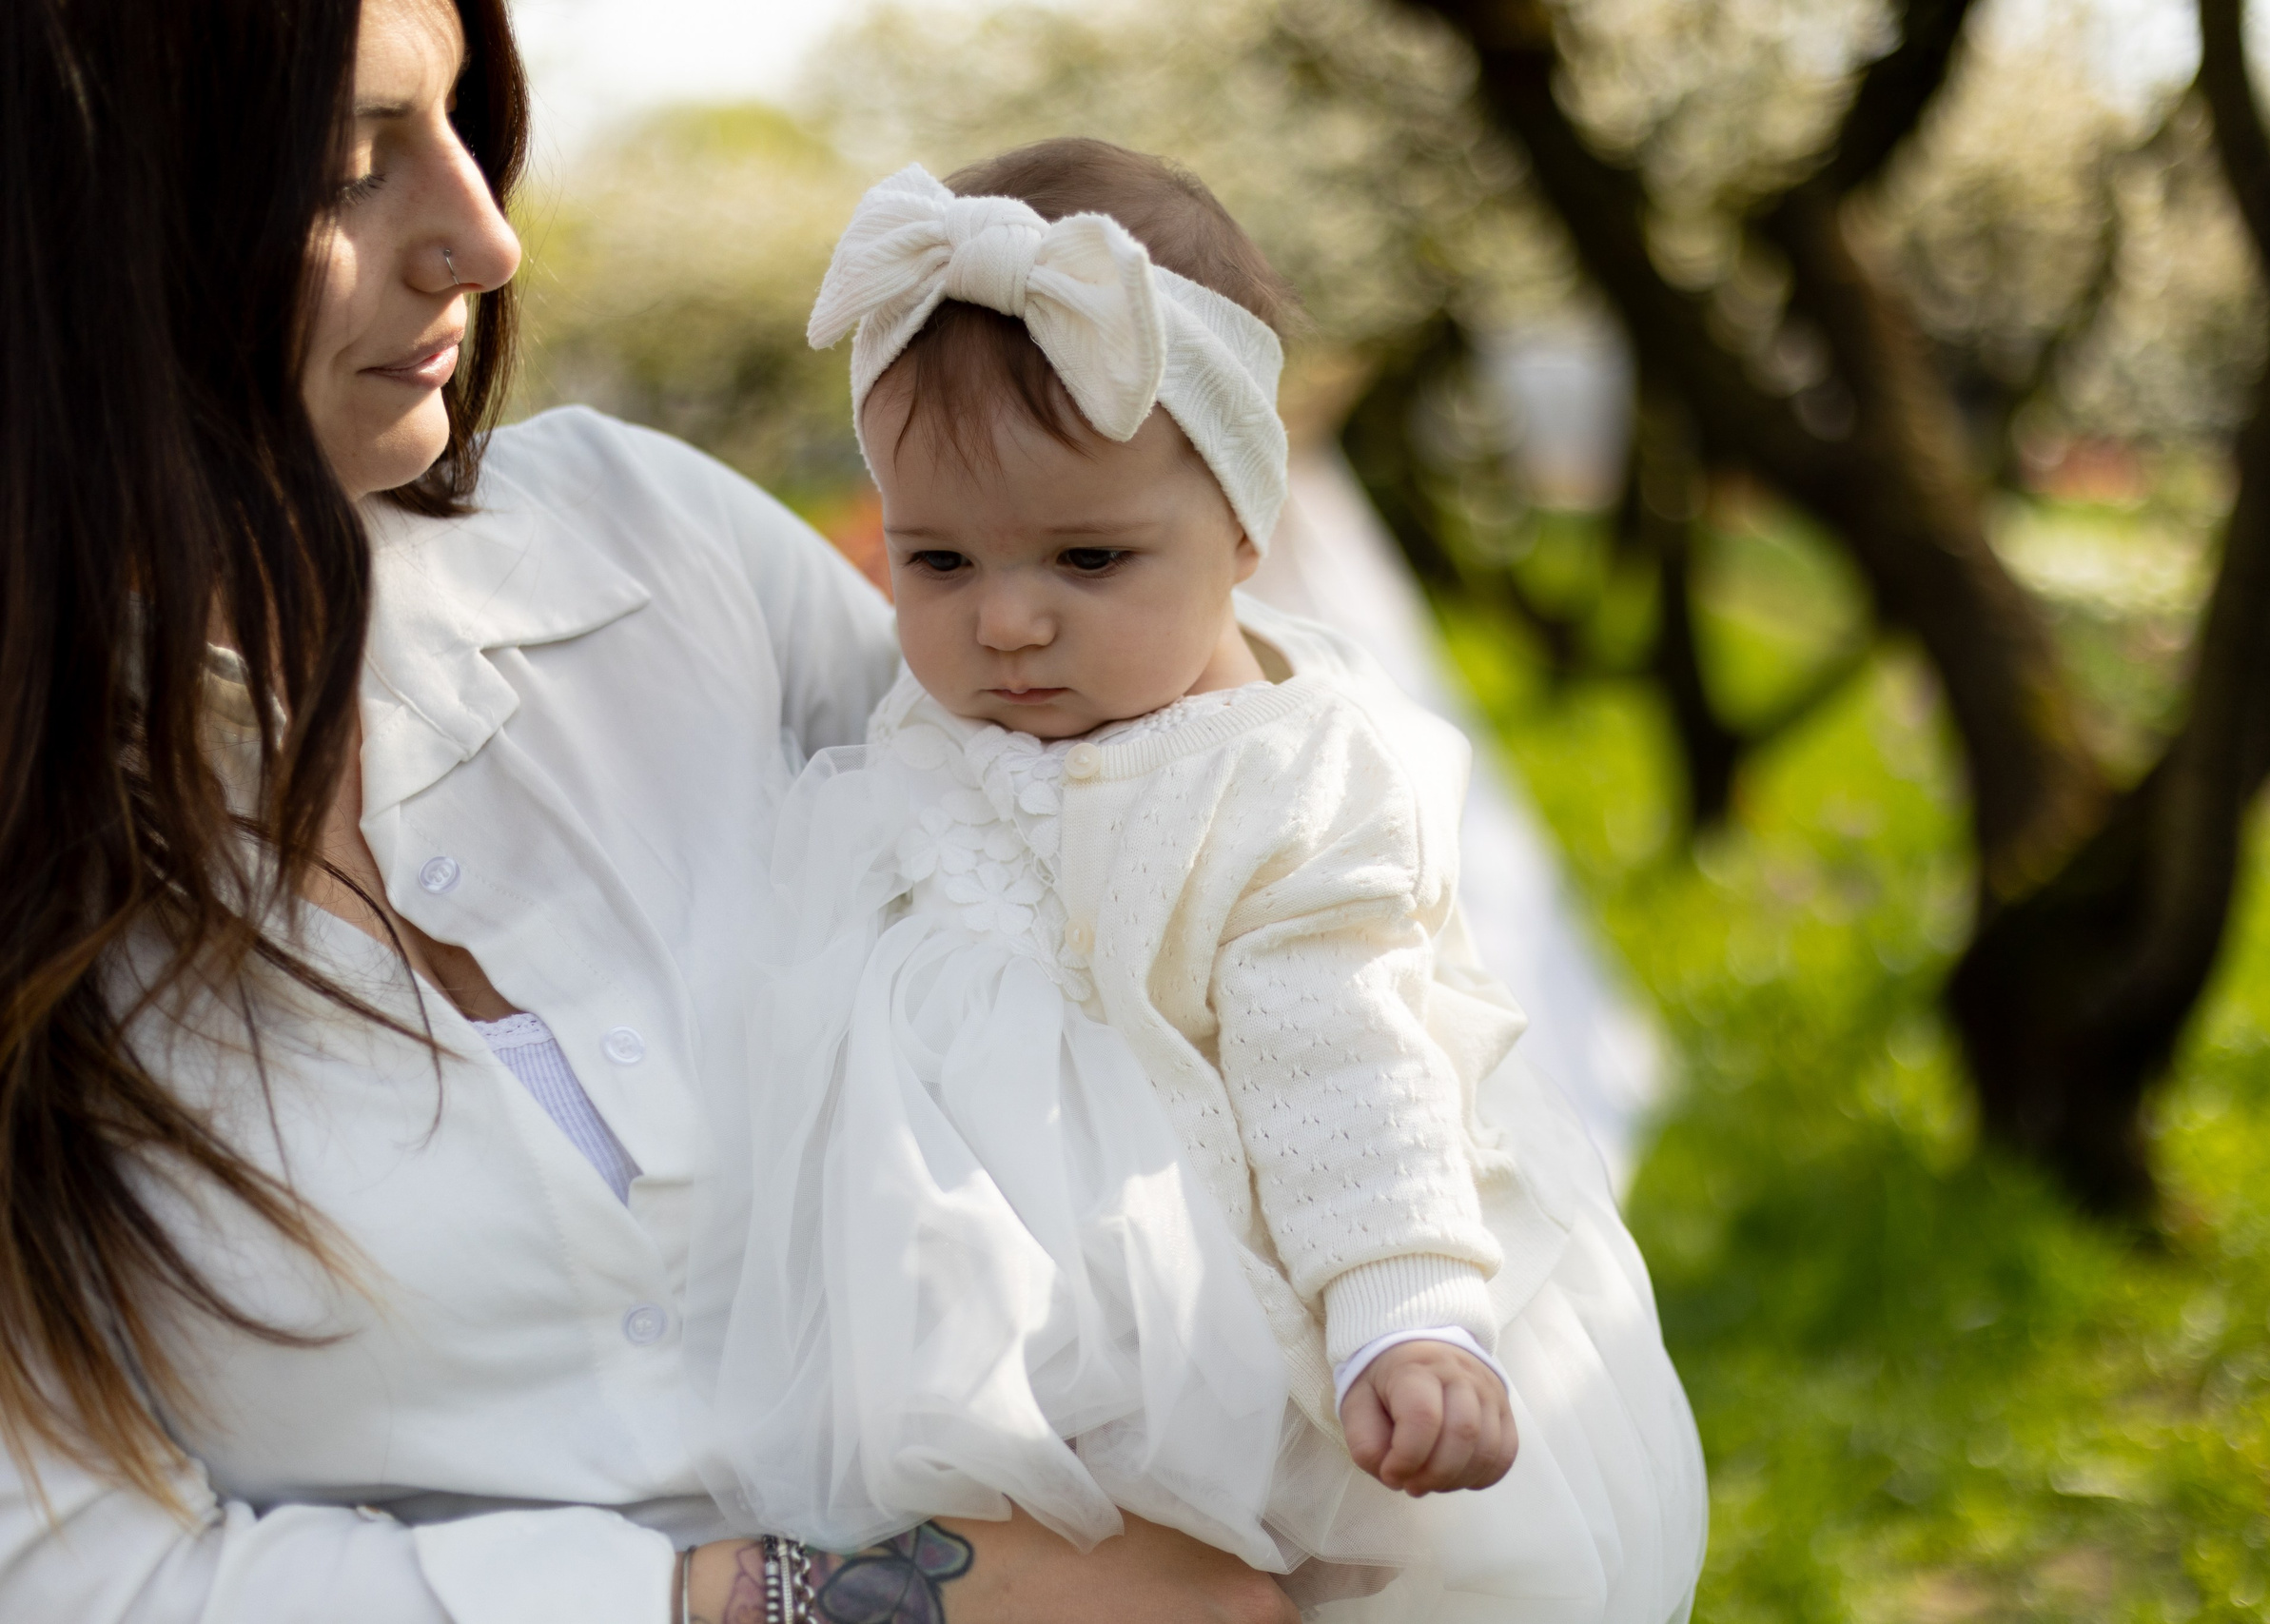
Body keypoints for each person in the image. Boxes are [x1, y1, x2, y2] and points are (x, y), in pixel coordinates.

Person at [0, 3, 1303, 1620]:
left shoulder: (653, 541)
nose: (483, 241)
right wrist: (807, 1602)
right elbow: (68, 1569)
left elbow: (1195, 840)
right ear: (71, 222)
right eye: (348, 168)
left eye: (464, 123)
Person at [697, 144, 1708, 1623]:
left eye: (1088, 557)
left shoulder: (1281, 784)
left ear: (1243, 527)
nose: (1008, 622)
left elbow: (1349, 1059)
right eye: (939, 563)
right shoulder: (936, 729)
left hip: (1226, 1331)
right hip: (964, 1315)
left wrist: (1402, 1310)